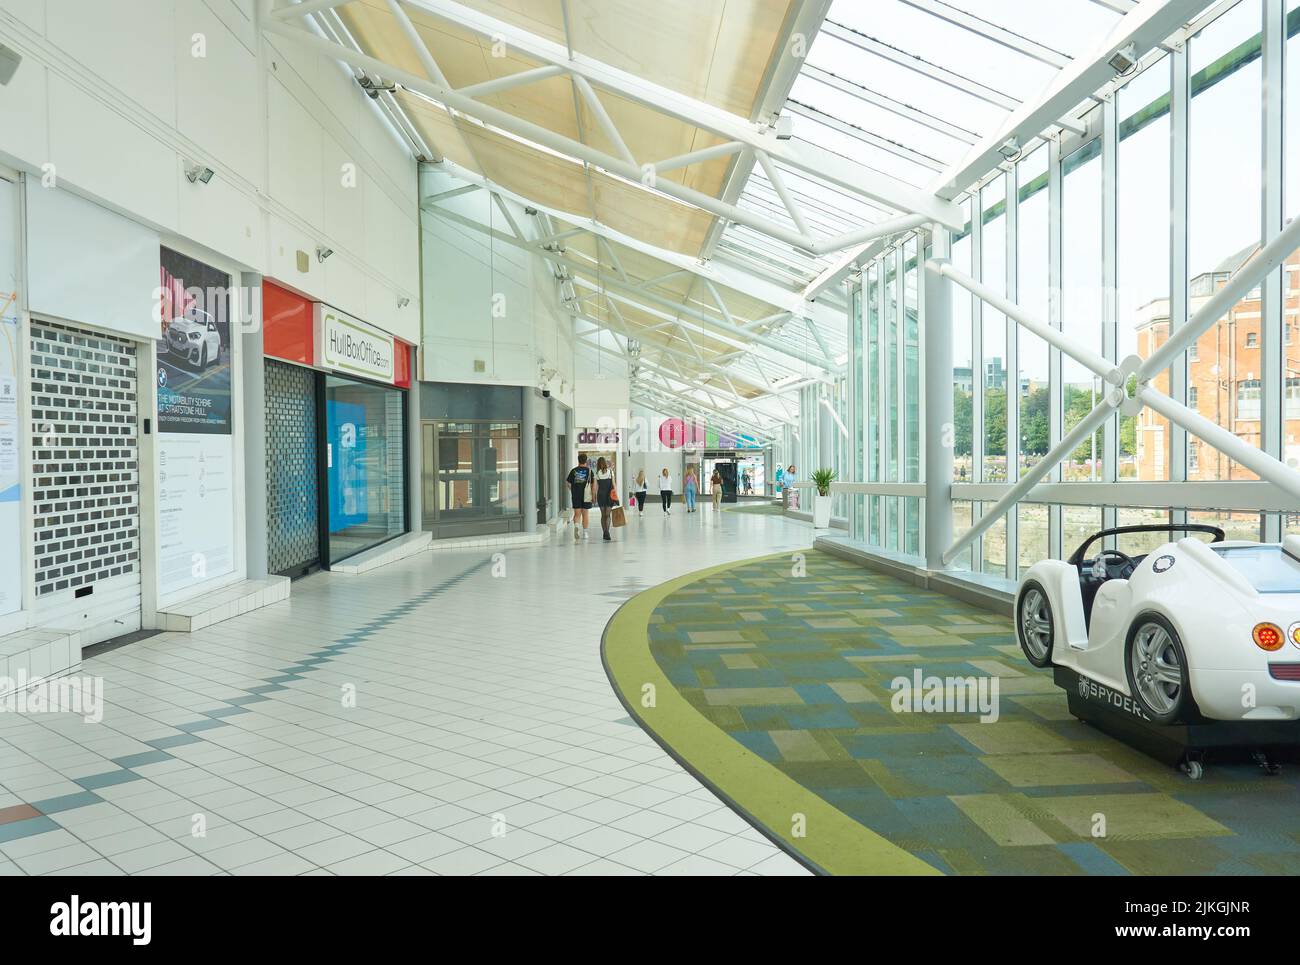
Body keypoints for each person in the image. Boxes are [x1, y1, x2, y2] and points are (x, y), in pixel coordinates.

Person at [566, 453, 593, 540]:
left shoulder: (574, 471)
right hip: (586, 496)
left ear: (578, 460)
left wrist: (573, 490)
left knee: (577, 514)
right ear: (586, 461)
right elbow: (593, 484)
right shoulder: (589, 471)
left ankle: (577, 526)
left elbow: (568, 483)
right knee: (585, 514)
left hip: (576, 495)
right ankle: (585, 533)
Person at [594, 456, 616, 541]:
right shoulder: (611, 472)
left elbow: (595, 487)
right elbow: (614, 484)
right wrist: (616, 495)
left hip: (601, 495)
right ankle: (607, 532)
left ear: (598, 464)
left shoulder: (597, 474)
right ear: (605, 463)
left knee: (603, 515)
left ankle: (605, 532)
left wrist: (594, 496)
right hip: (609, 495)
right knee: (608, 515)